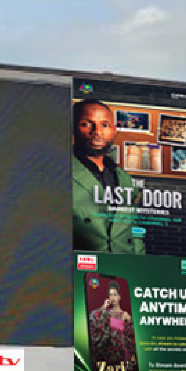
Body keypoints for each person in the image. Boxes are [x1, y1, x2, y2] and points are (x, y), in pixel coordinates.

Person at [71, 99, 145, 255]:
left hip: (123, 268)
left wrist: (139, 261)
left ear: (114, 131)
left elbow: (134, 229)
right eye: (86, 124)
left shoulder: (126, 180)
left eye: (105, 125)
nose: (97, 132)